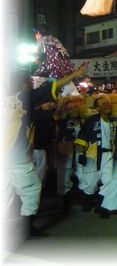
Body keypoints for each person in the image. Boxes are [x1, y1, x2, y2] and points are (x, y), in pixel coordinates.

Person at [2, 62, 87, 237]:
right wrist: (76, 73)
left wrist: (59, 109)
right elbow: (53, 86)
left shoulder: (7, 100)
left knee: (7, 192)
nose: (33, 84)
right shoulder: (22, 97)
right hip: (15, 157)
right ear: (22, 83)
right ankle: (27, 229)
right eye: (29, 81)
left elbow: (49, 115)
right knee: (32, 188)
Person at [73, 94, 115, 212]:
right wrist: (81, 151)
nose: (107, 105)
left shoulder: (115, 120)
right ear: (97, 109)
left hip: (110, 154)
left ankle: (102, 205)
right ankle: (87, 201)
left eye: (107, 103)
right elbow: (83, 136)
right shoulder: (91, 120)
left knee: (110, 180)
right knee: (91, 182)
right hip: (94, 155)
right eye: (103, 104)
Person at [32, 24, 77, 94]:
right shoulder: (54, 39)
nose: (35, 36)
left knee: (37, 76)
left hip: (53, 62)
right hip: (64, 64)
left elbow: (39, 51)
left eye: (35, 34)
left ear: (38, 33)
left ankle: (35, 93)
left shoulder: (41, 40)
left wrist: (36, 58)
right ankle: (74, 94)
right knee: (63, 79)